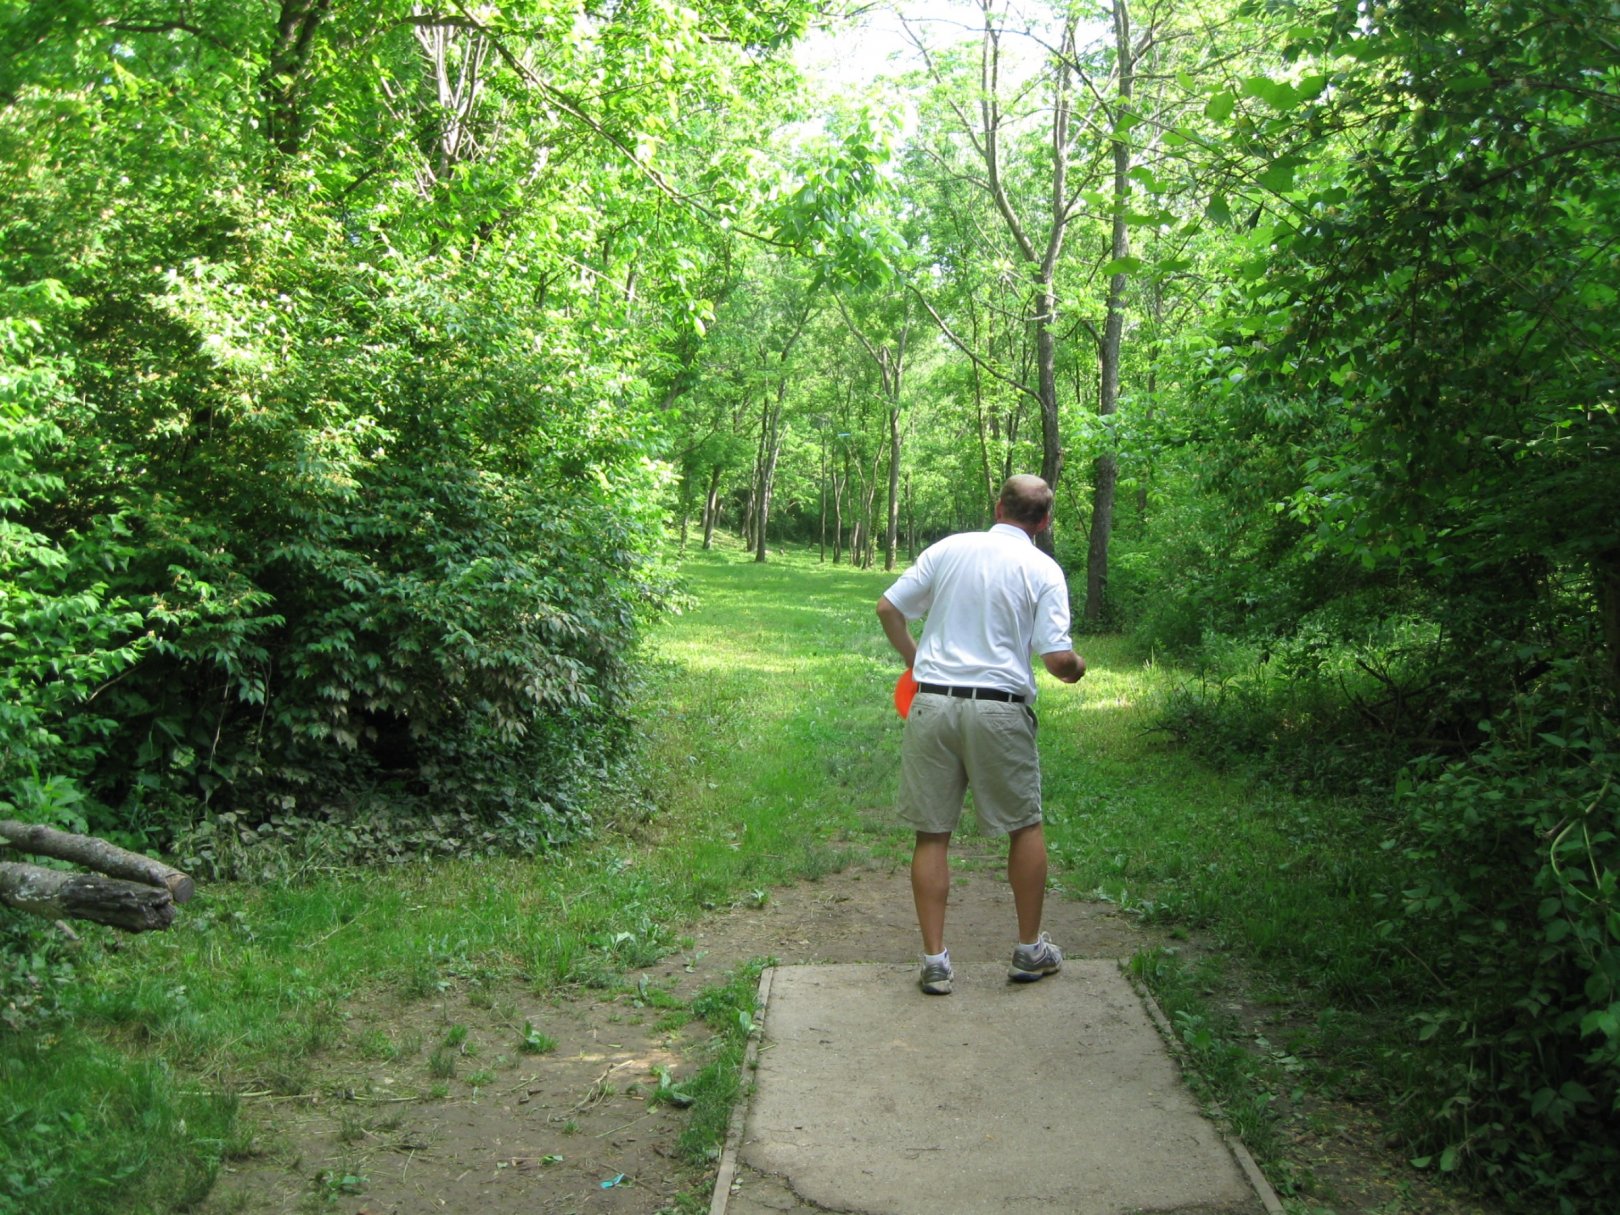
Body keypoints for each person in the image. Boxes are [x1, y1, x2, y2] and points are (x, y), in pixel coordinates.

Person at [876, 474, 1086, 995]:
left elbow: (888, 608)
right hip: (999, 710)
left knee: (932, 832)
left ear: (998, 506)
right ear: (1044, 521)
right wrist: (1076, 666)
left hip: (933, 703)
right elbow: (1058, 660)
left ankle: (934, 961)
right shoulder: (1042, 568)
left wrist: (915, 661)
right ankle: (1028, 949)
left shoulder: (949, 549)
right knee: (1024, 825)